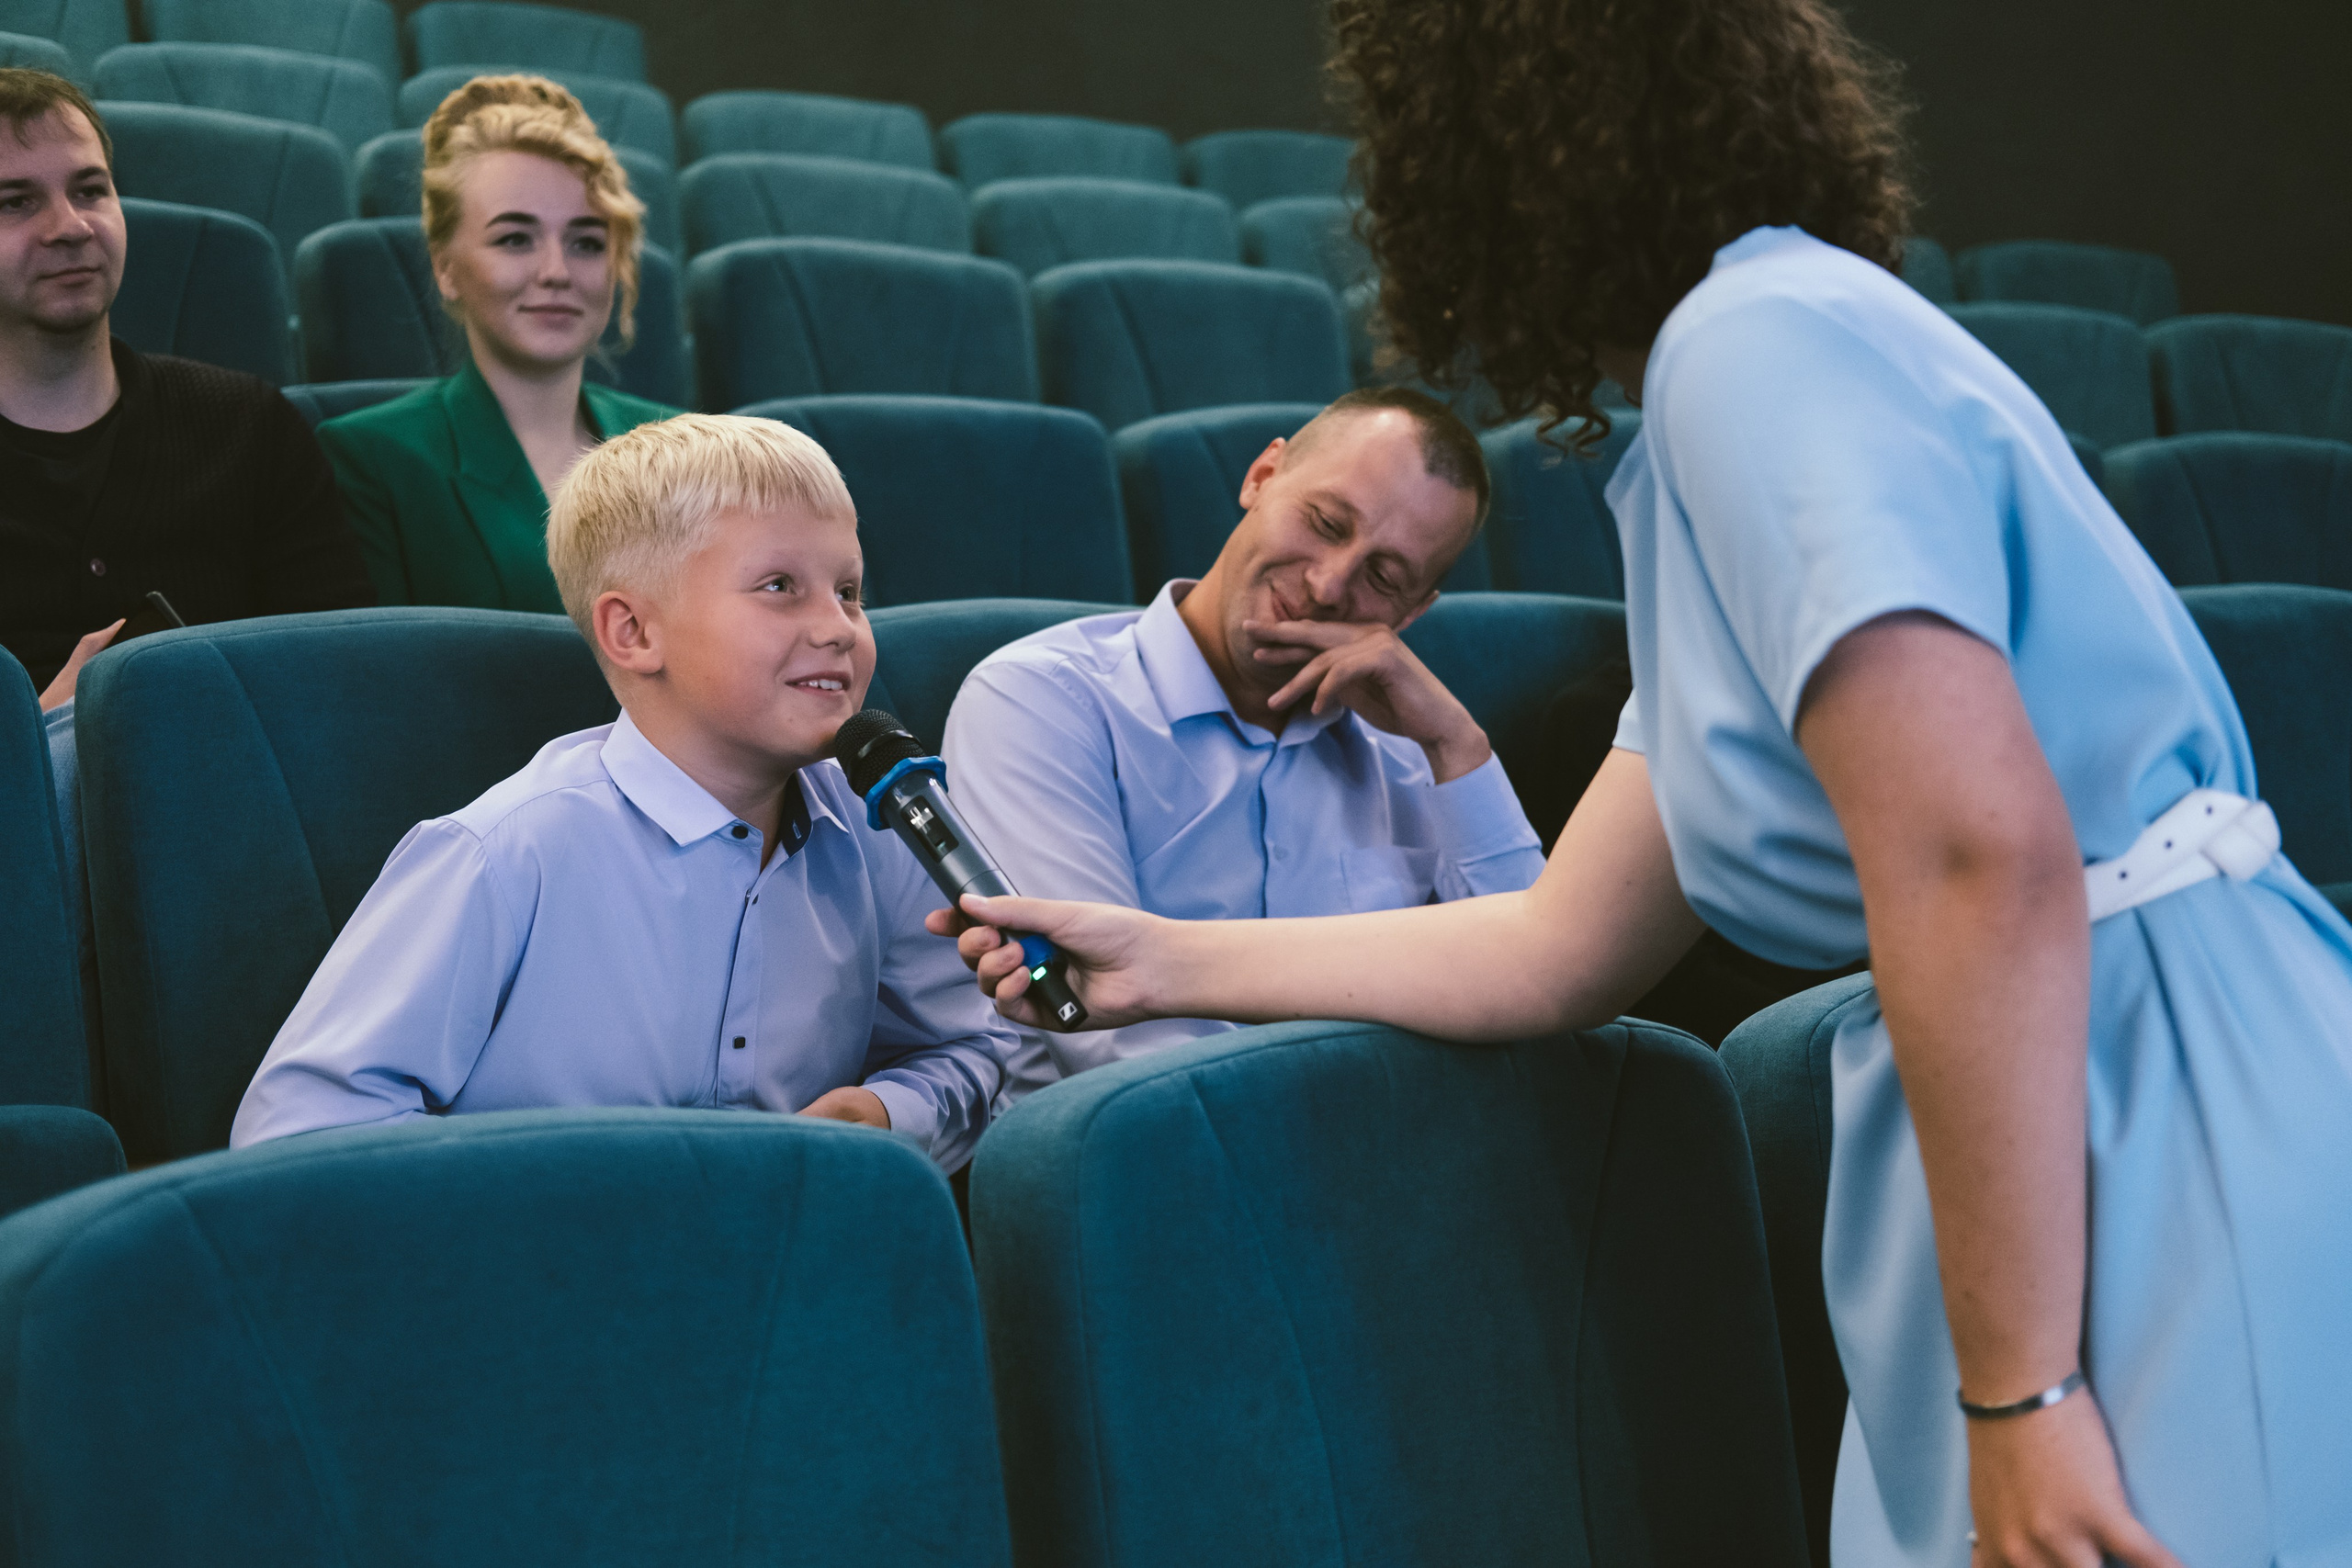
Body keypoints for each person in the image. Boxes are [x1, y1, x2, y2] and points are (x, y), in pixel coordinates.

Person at [935, 1, 2352, 1564]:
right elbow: (1554, 948)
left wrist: (2017, 1388)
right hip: (2060, 1086)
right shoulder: (1761, 353)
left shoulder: (1747, 351)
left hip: (2134, 1102)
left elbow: (1972, 855)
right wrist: (1167, 956)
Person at [233, 413, 1015, 1171]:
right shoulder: (504, 854)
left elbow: (970, 1048)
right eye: (781, 586)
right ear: (632, 633)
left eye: (849, 591)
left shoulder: (878, 824)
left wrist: (884, 1116)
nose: (839, 627)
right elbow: (297, 1131)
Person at [942, 387, 1544, 1101]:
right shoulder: (1040, 701)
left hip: (1385, 1166)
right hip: (1134, 1170)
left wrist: (1458, 743)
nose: (1327, 585)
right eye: (1324, 522)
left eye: (1383, 577)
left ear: (1412, 613)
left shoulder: (1415, 757)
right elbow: (1104, 1035)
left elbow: (1539, 994)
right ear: (1262, 476)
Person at [0, 68, 371, 707]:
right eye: (15, 202)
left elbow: (344, 686)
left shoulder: (250, 426)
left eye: (91, 190)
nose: (71, 227)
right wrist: (36, 741)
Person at [314, 74, 679, 614]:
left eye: (586, 242)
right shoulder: (370, 458)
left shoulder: (685, 449)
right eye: (514, 239)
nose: (556, 271)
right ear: (445, 268)